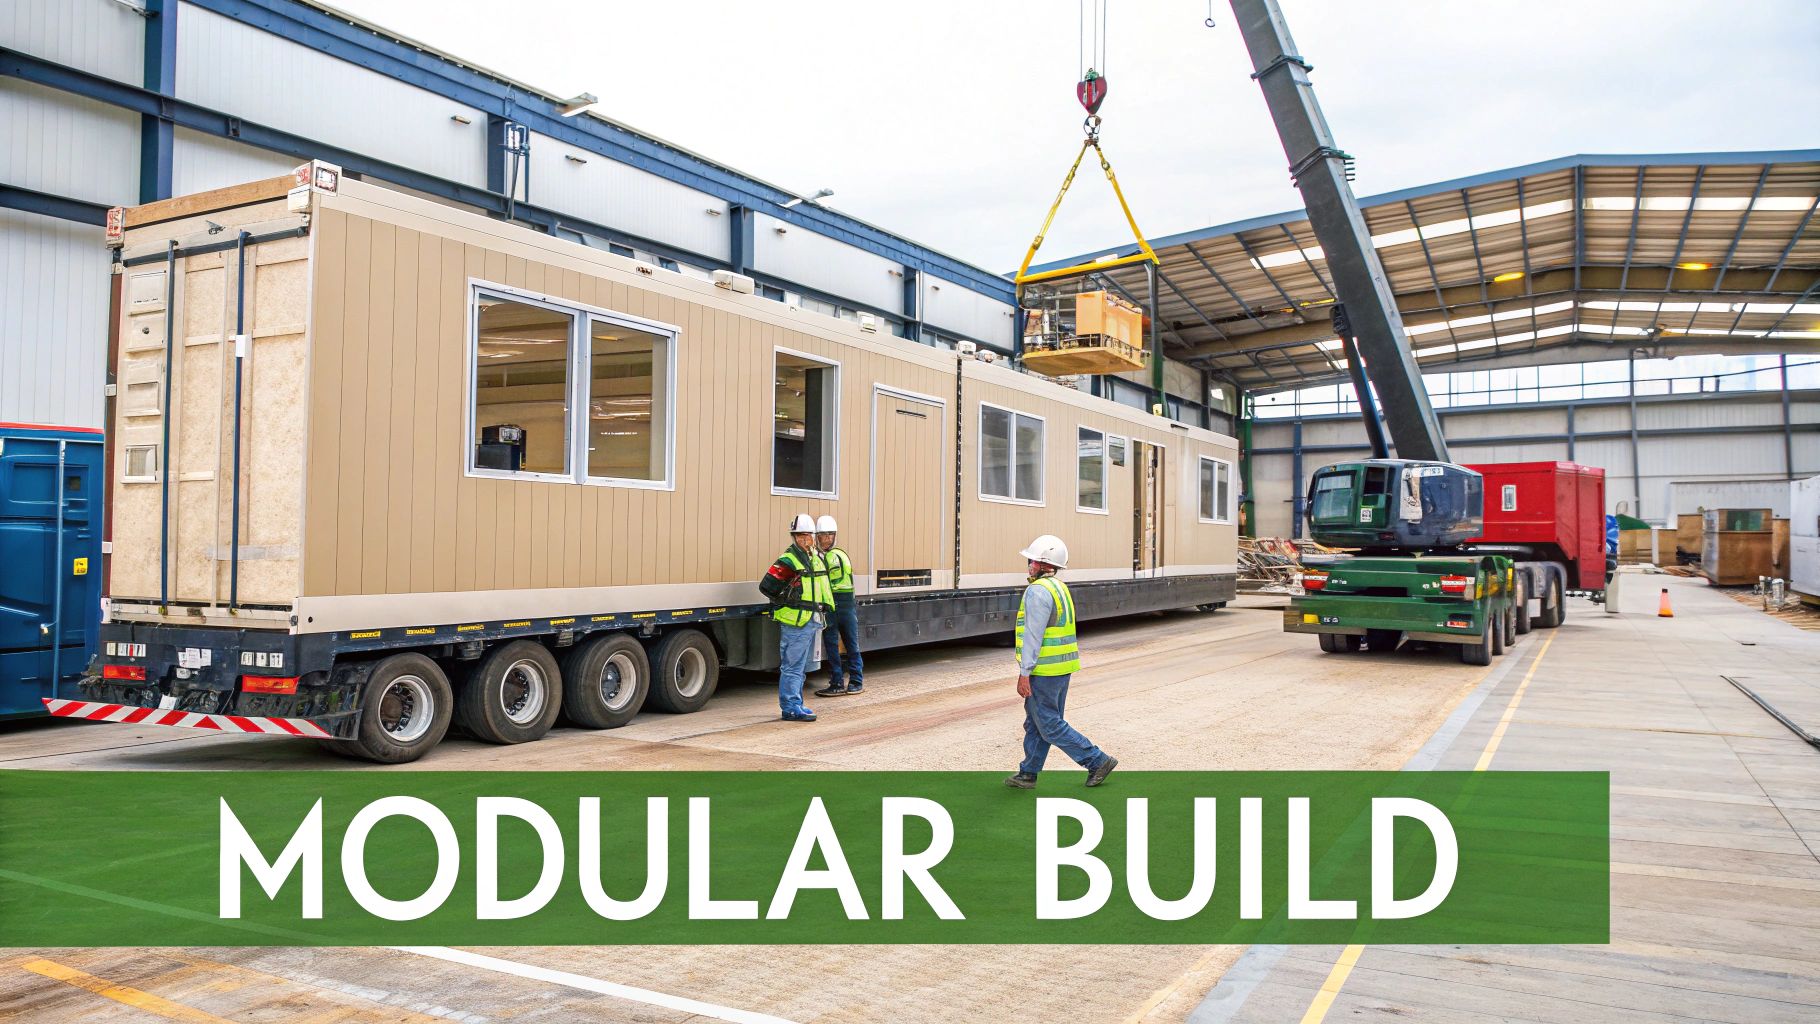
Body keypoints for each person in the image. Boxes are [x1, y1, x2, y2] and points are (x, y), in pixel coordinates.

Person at [1004, 534, 1117, 789]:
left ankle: (1097, 760)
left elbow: (1033, 635)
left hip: (1044, 670)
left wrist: (1025, 673)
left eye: (1031, 560)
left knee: (1050, 724)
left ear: (1042, 564)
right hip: (1061, 669)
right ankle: (1028, 773)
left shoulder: (1037, 591)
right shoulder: (1060, 588)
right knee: (1037, 721)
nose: (1028, 565)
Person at [759, 513, 835, 722]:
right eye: (798, 536)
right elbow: (767, 587)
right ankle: (791, 707)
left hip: (811, 619)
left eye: (806, 536)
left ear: (813, 536)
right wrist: (789, 598)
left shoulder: (814, 558)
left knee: (800, 666)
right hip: (796, 621)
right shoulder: (789, 560)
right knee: (792, 666)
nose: (802, 540)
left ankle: (796, 703)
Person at [813, 514, 865, 697]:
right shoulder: (840, 554)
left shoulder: (831, 557)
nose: (826, 539)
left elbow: (824, 580)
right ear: (817, 538)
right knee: (847, 644)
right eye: (822, 536)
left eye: (829, 535)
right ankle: (851, 682)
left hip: (838, 604)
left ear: (834, 536)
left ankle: (842, 682)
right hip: (842, 605)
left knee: (838, 644)